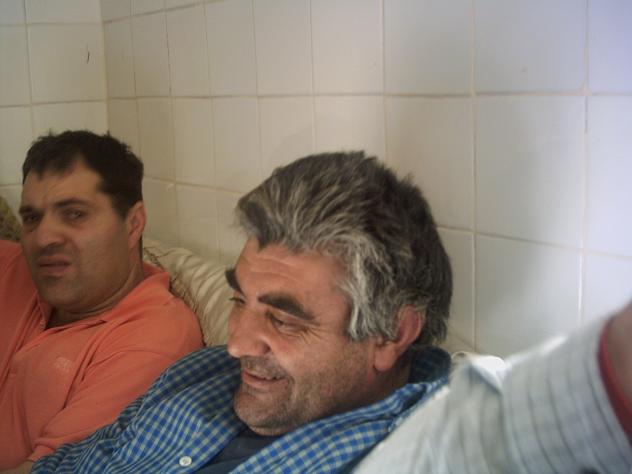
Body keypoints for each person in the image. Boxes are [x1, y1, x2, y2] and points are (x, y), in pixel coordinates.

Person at [31, 152, 631, 473]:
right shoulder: (198, 377)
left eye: (283, 318)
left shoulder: (423, 441)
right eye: (240, 300)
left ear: (390, 333)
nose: (236, 342)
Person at [0, 131, 204, 473]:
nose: (43, 238)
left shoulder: (151, 340)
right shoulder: (15, 266)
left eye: (74, 214)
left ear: (133, 224)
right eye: (32, 218)